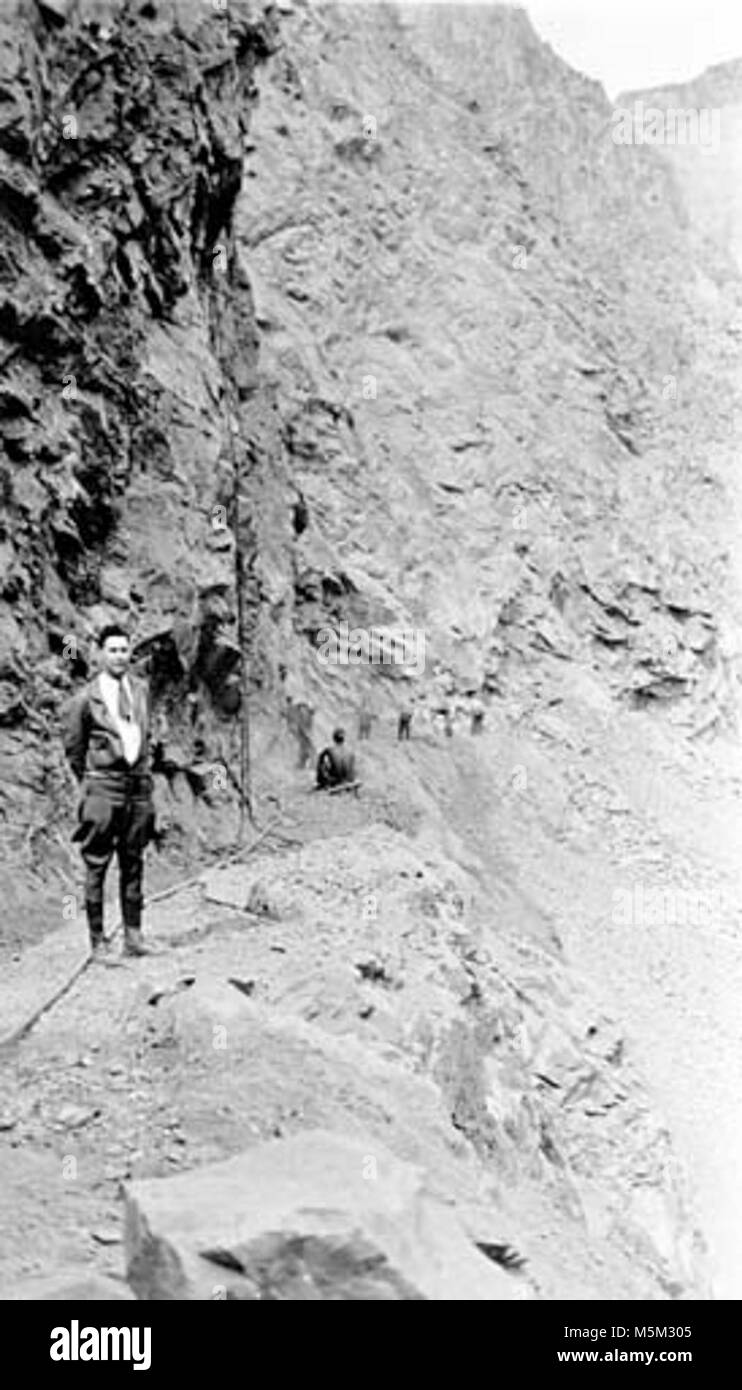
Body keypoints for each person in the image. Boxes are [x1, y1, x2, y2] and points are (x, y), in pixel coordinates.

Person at [62, 624, 156, 962]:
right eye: (112, 650)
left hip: (138, 789)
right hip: (103, 788)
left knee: (134, 861)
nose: (119, 656)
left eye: (124, 650)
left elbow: (147, 735)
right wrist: (93, 781)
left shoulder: (141, 691)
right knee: (97, 865)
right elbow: (74, 748)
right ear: (100, 654)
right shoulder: (86, 699)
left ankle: (133, 935)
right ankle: (98, 941)